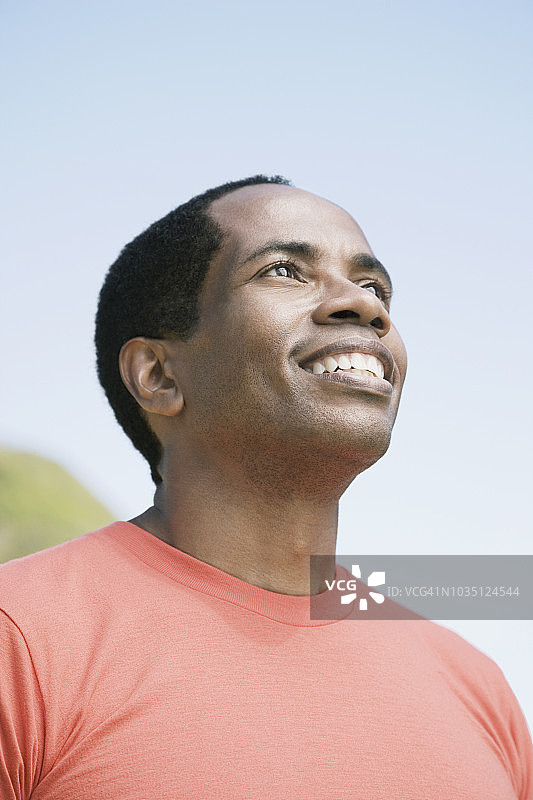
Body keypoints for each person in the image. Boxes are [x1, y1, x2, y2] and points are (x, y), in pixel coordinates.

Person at [0, 175, 531, 799]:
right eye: (283, 270)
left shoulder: (478, 690)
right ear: (158, 375)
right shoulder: (22, 644)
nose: (367, 307)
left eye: (374, 286)